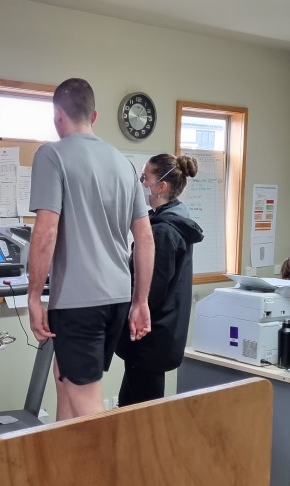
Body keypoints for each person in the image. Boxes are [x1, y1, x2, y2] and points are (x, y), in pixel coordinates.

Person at [27, 78, 155, 420]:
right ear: (94, 115)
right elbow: (144, 238)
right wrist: (140, 301)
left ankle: (112, 474)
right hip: (116, 298)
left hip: (78, 303)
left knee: (88, 409)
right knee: (64, 380)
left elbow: (46, 231)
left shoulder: (51, 155)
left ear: (58, 116)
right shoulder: (123, 164)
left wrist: (33, 296)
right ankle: (63, 471)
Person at [115, 154, 204, 406]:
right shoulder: (175, 221)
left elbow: (151, 289)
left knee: (144, 413)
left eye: (145, 178)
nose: (141, 184)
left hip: (150, 336)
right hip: (157, 335)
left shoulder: (164, 231)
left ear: (161, 186)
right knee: (129, 405)